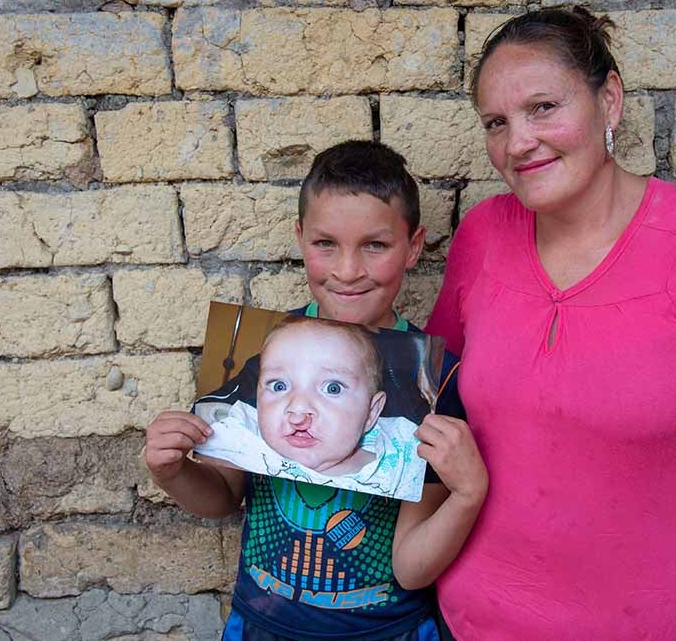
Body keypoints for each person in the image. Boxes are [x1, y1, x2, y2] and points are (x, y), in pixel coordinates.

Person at [425, 7, 676, 640]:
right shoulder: (483, 236)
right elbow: (430, 398)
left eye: (543, 107)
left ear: (610, 101)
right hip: (473, 622)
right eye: (497, 122)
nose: (518, 142)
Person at [145, 141, 488, 641]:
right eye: (326, 244)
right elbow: (221, 499)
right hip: (263, 625)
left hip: (386, 630)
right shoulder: (262, 358)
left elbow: (412, 569)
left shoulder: (432, 384)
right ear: (300, 237)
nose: (347, 270)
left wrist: (468, 494)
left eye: (376, 245)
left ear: (414, 246)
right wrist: (172, 471)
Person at [193, 315, 430, 501]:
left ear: (371, 412)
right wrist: (175, 470)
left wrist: (463, 496)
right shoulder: (244, 438)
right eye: (279, 385)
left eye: (333, 389)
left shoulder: (402, 462)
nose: (298, 410)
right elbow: (217, 495)